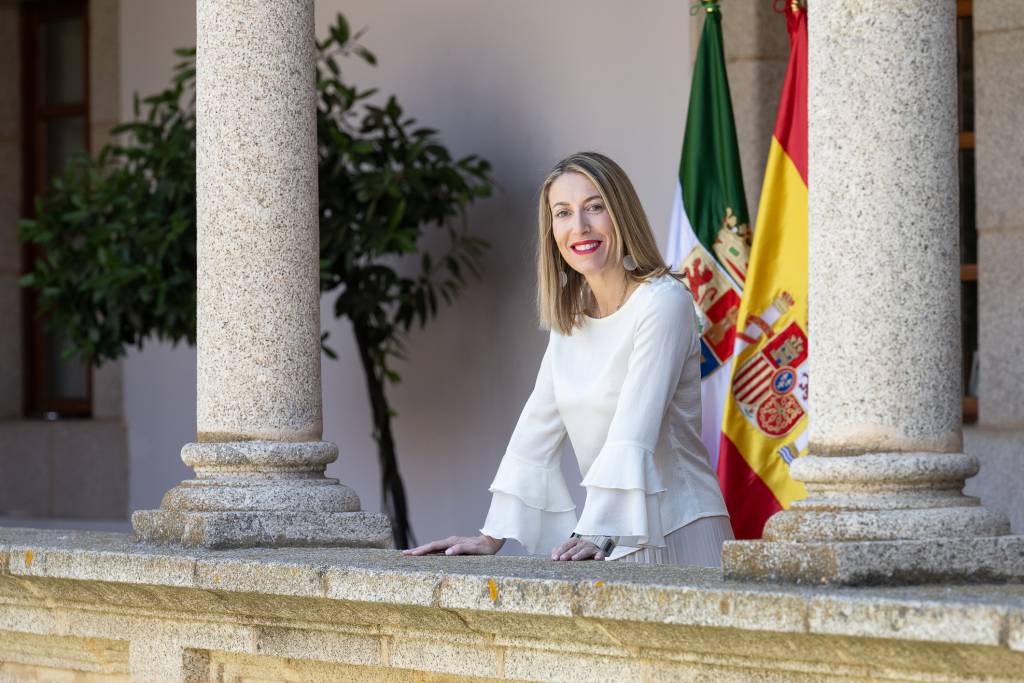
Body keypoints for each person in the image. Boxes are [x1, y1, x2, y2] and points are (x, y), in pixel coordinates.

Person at [404, 152, 733, 566]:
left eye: (594, 207)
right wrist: (491, 536)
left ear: (622, 215)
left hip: (679, 528)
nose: (579, 226)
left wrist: (601, 529)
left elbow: (635, 428)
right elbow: (536, 428)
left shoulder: (664, 302)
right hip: (607, 536)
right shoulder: (571, 320)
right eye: (563, 213)